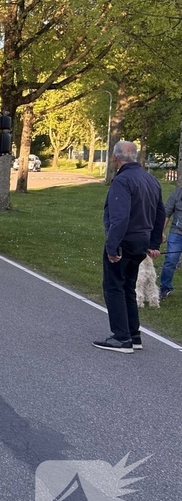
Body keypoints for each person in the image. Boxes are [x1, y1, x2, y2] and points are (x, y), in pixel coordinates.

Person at [93, 140, 165, 354]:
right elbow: (160, 213)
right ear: (134, 157)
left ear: (115, 157)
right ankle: (134, 335)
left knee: (114, 287)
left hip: (125, 240)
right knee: (128, 287)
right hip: (141, 241)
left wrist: (112, 247)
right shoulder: (151, 180)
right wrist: (153, 243)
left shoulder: (122, 181)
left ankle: (121, 337)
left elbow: (120, 218)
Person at [159, 181, 182, 300]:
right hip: (177, 233)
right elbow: (166, 213)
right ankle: (165, 288)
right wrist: (161, 232)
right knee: (170, 261)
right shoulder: (176, 195)